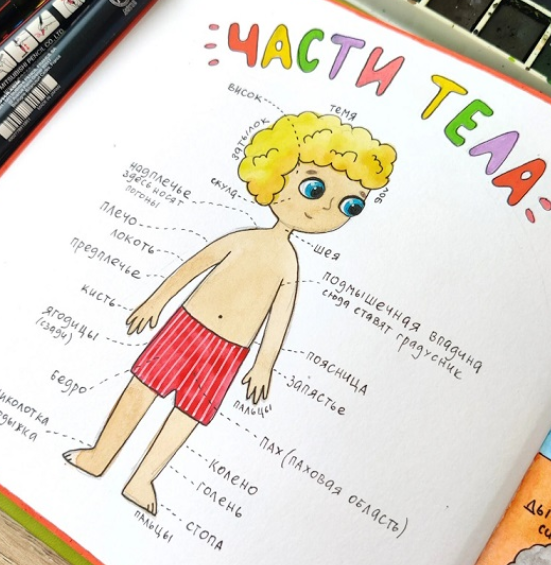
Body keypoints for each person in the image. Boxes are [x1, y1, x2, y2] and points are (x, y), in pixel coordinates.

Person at [63, 111, 397, 515]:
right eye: (314, 188)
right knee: (142, 388)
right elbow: (194, 267)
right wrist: (156, 301)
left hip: (229, 351)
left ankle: (143, 479)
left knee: (189, 413)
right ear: (274, 175)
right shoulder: (243, 240)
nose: (325, 208)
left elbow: (279, 318)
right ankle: (99, 456)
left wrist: (264, 365)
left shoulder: (289, 263)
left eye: (349, 205)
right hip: (187, 326)